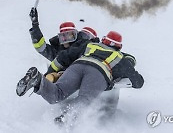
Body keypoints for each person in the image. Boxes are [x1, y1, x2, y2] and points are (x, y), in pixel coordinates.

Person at [16, 30, 144, 123]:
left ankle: (38, 80)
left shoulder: (89, 45)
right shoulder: (120, 57)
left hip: (77, 66)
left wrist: (49, 73)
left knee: (57, 94)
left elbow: (63, 57)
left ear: (103, 40)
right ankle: (65, 119)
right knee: (85, 99)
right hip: (99, 72)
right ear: (118, 47)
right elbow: (138, 82)